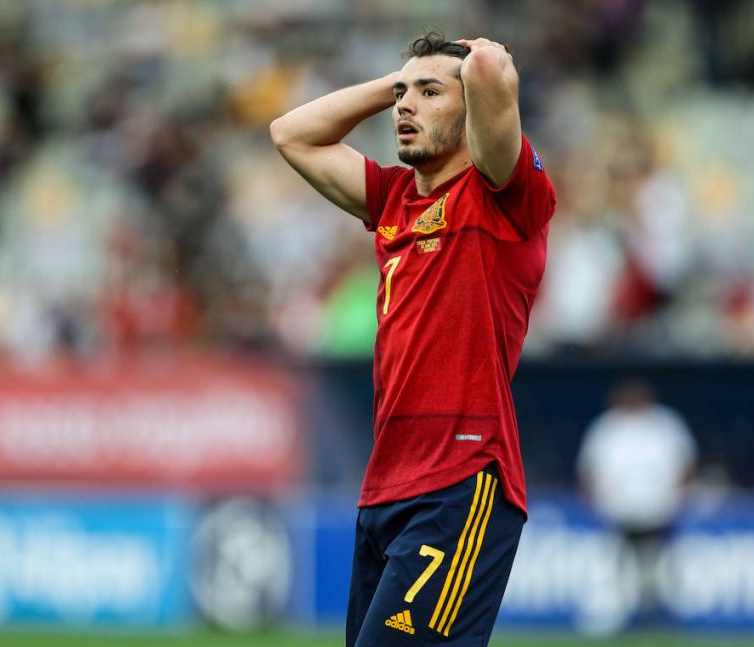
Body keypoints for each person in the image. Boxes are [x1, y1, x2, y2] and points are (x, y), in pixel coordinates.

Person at [270, 31, 556, 646]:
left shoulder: (503, 197)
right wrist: (397, 84)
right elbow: (291, 133)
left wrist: (467, 57)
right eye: (403, 95)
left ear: (471, 107)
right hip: (386, 485)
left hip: (462, 479)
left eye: (430, 93)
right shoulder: (393, 201)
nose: (406, 106)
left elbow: (488, 70)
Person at [576, 379, 697, 627]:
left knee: (658, 568)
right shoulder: (607, 426)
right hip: (617, 511)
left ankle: (661, 615)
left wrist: (679, 496)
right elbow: (588, 469)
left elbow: (685, 463)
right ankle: (615, 618)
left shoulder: (665, 423)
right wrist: (593, 500)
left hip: (658, 510)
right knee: (615, 570)